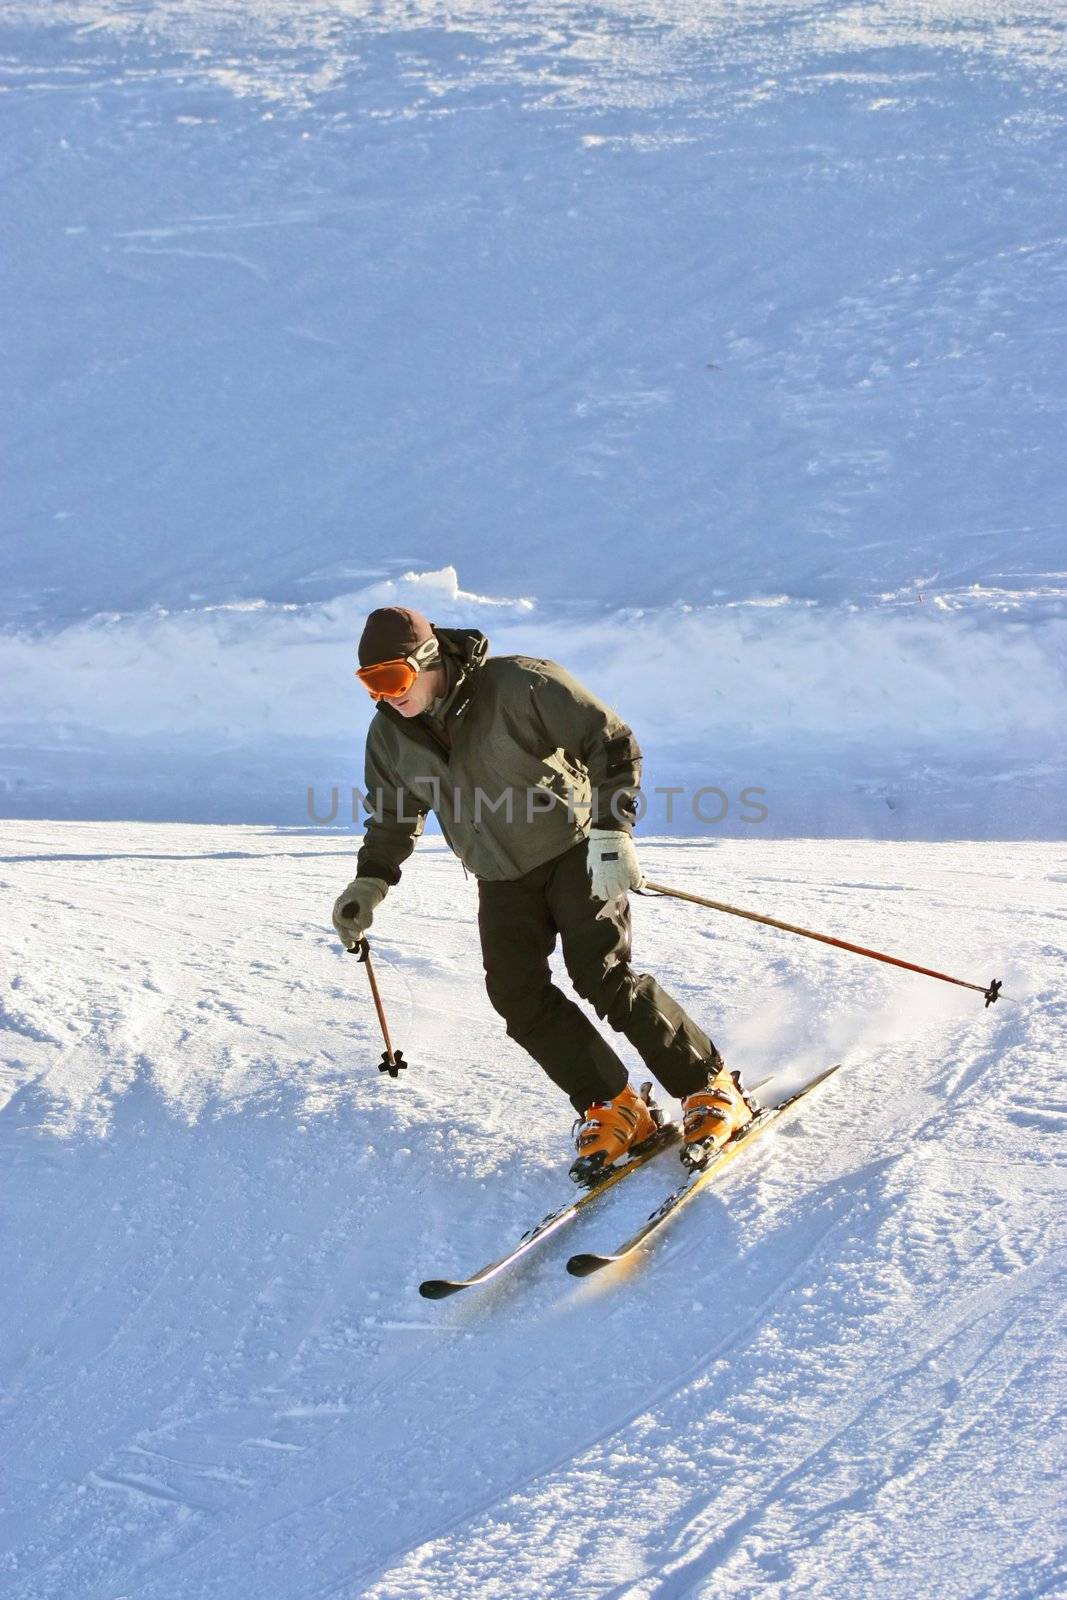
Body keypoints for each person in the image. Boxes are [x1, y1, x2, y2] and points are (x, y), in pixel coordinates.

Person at [332, 605, 755, 1184]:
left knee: (600, 972)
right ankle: (615, 1106)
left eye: (393, 679)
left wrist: (612, 834)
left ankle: (708, 1086)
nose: (384, 696)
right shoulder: (388, 736)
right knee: (516, 993)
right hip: (499, 874)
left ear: (427, 661)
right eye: (370, 685)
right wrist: (370, 881)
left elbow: (611, 743)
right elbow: (392, 817)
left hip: (575, 849)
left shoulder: (520, 684)